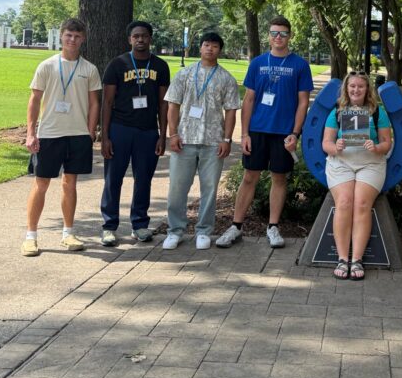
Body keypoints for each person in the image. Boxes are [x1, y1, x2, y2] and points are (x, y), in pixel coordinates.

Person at [216, 16, 313, 249]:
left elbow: (303, 102)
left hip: (284, 133)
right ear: (268, 36)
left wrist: (295, 133)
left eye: (283, 33)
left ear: (290, 36)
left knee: (279, 178)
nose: (278, 37)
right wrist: (244, 134)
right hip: (258, 130)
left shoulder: (300, 65)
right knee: (250, 176)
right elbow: (249, 99)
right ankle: (236, 226)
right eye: (274, 33)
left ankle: (273, 227)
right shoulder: (258, 63)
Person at [22, 18, 101, 256]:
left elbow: (94, 102)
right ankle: (30, 236)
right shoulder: (47, 66)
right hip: (50, 133)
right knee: (41, 183)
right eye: (68, 35)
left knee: (70, 183)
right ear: (61, 37)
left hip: (77, 134)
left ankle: (68, 233)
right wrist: (31, 132)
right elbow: (35, 99)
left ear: (83, 39)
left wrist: (90, 130)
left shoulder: (89, 69)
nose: (72, 40)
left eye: (77, 36)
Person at [162, 32, 240, 250]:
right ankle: (175, 230)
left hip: (213, 141)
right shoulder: (184, 74)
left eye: (215, 46)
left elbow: (231, 111)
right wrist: (173, 134)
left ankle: (204, 230)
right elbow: (173, 105)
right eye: (206, 45)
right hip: (185, 139)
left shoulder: (226, 78)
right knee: (177, 187)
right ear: (200, 47)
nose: (210, 49)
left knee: (210, 188)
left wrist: (227, 138)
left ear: (219, 50)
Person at [100, 21, 170, 246]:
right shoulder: (117, 64)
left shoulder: (160, 66)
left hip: (148, 131)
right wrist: (105, 136)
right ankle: (109, 226)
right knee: (113, 179)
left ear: (150, 38)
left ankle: (139, 225)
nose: (140, 39)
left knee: (143, 180)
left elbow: (163, 103)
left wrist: (162, 135)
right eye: (136, 36)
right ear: (130, 39)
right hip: (120, 129)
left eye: (144, 36)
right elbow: (107, 101)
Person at [322, 71, 393, 280]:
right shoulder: (337, 111)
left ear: (367, 89)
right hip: (341, 163)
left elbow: (387, 142)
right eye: (352, 86)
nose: (356, 90)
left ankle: (357, 259)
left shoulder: (377, 112)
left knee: (362, 204)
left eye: (360, 86)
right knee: (344, 202)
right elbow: (326, 143)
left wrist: (377, 147)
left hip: (370, 163)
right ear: (346, 88)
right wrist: (336, 147)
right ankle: (343, 258)